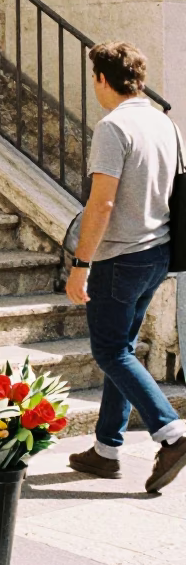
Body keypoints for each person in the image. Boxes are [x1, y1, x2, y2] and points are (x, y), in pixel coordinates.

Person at [66, 42, 186, 493]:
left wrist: (81, 264)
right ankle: (106, 450)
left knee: (110, 350)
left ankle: (171, 433)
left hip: (119, 256)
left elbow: (103, 203)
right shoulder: (164, 123)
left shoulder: (113, 127)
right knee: (123, 349)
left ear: (101, 78)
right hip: (158, 252)